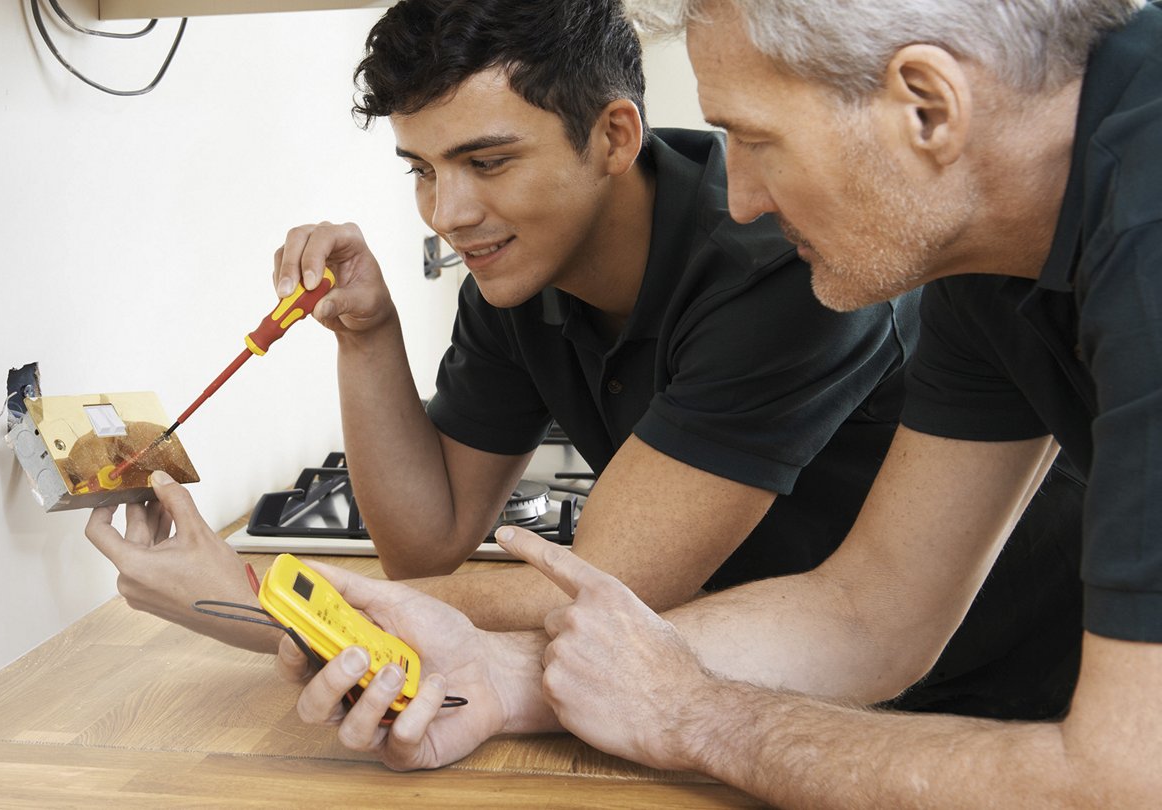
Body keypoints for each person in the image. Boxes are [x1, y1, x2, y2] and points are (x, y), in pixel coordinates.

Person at [88, 0, 1080, 717]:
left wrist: (259, 603)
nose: (448, 214)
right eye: (423, 172)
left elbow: (603, 587)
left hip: (1001, 690)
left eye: (487, 161)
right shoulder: (520, 280)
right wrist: (367, 331)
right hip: (794, 670)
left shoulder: (779, 262)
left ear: (614, 136)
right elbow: (426, 550)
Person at [279, 0, 1162, 804]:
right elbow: (872, 611)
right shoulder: (981, 250)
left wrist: (696, 715)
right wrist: (512, 673)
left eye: (759, 139)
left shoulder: (1146, 229)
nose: (740, 196)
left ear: (926, 105)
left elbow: (1121, 776)